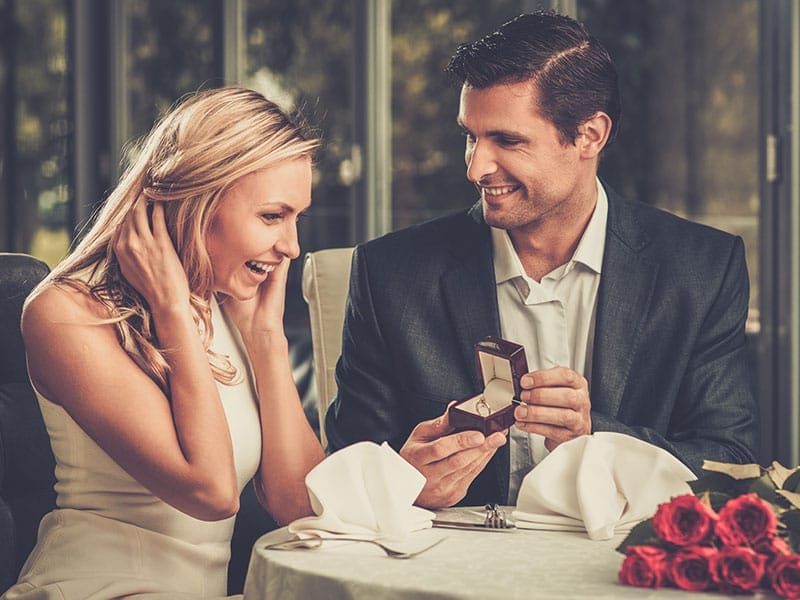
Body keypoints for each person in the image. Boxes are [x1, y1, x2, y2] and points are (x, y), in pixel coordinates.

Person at [325, 11, 759, 510]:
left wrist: (597, 438)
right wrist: (400, 484)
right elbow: (345, 466)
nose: (475, 167)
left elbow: (730, 466)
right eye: (470, 136)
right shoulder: (389, 274)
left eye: (507, 141)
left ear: (590, 135)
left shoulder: (702, 268)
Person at [3, 87, 325, 599]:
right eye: (272, 216)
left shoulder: (226, 301)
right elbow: (212, 491)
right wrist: (173, 312)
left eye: (296, 218)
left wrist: (266, 338)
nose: (291, 246)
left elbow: (299, 507)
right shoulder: (64, 313)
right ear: (198, 202)